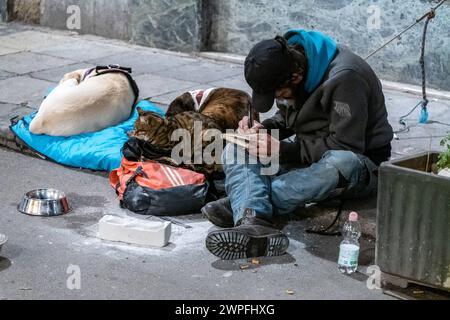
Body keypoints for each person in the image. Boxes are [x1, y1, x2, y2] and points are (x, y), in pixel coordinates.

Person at [202, 29, 393, 260]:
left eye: (278, 94)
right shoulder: (291, 59)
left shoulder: (345, 77)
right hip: (308, 155)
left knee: (339, 163)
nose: (278, 101)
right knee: (237, 146)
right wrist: (260, 131)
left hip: (359, 164)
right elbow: (287, 119)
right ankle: (254, 221)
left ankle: (243, 205)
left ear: (296, 77)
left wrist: (282, 150)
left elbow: (346, 146)